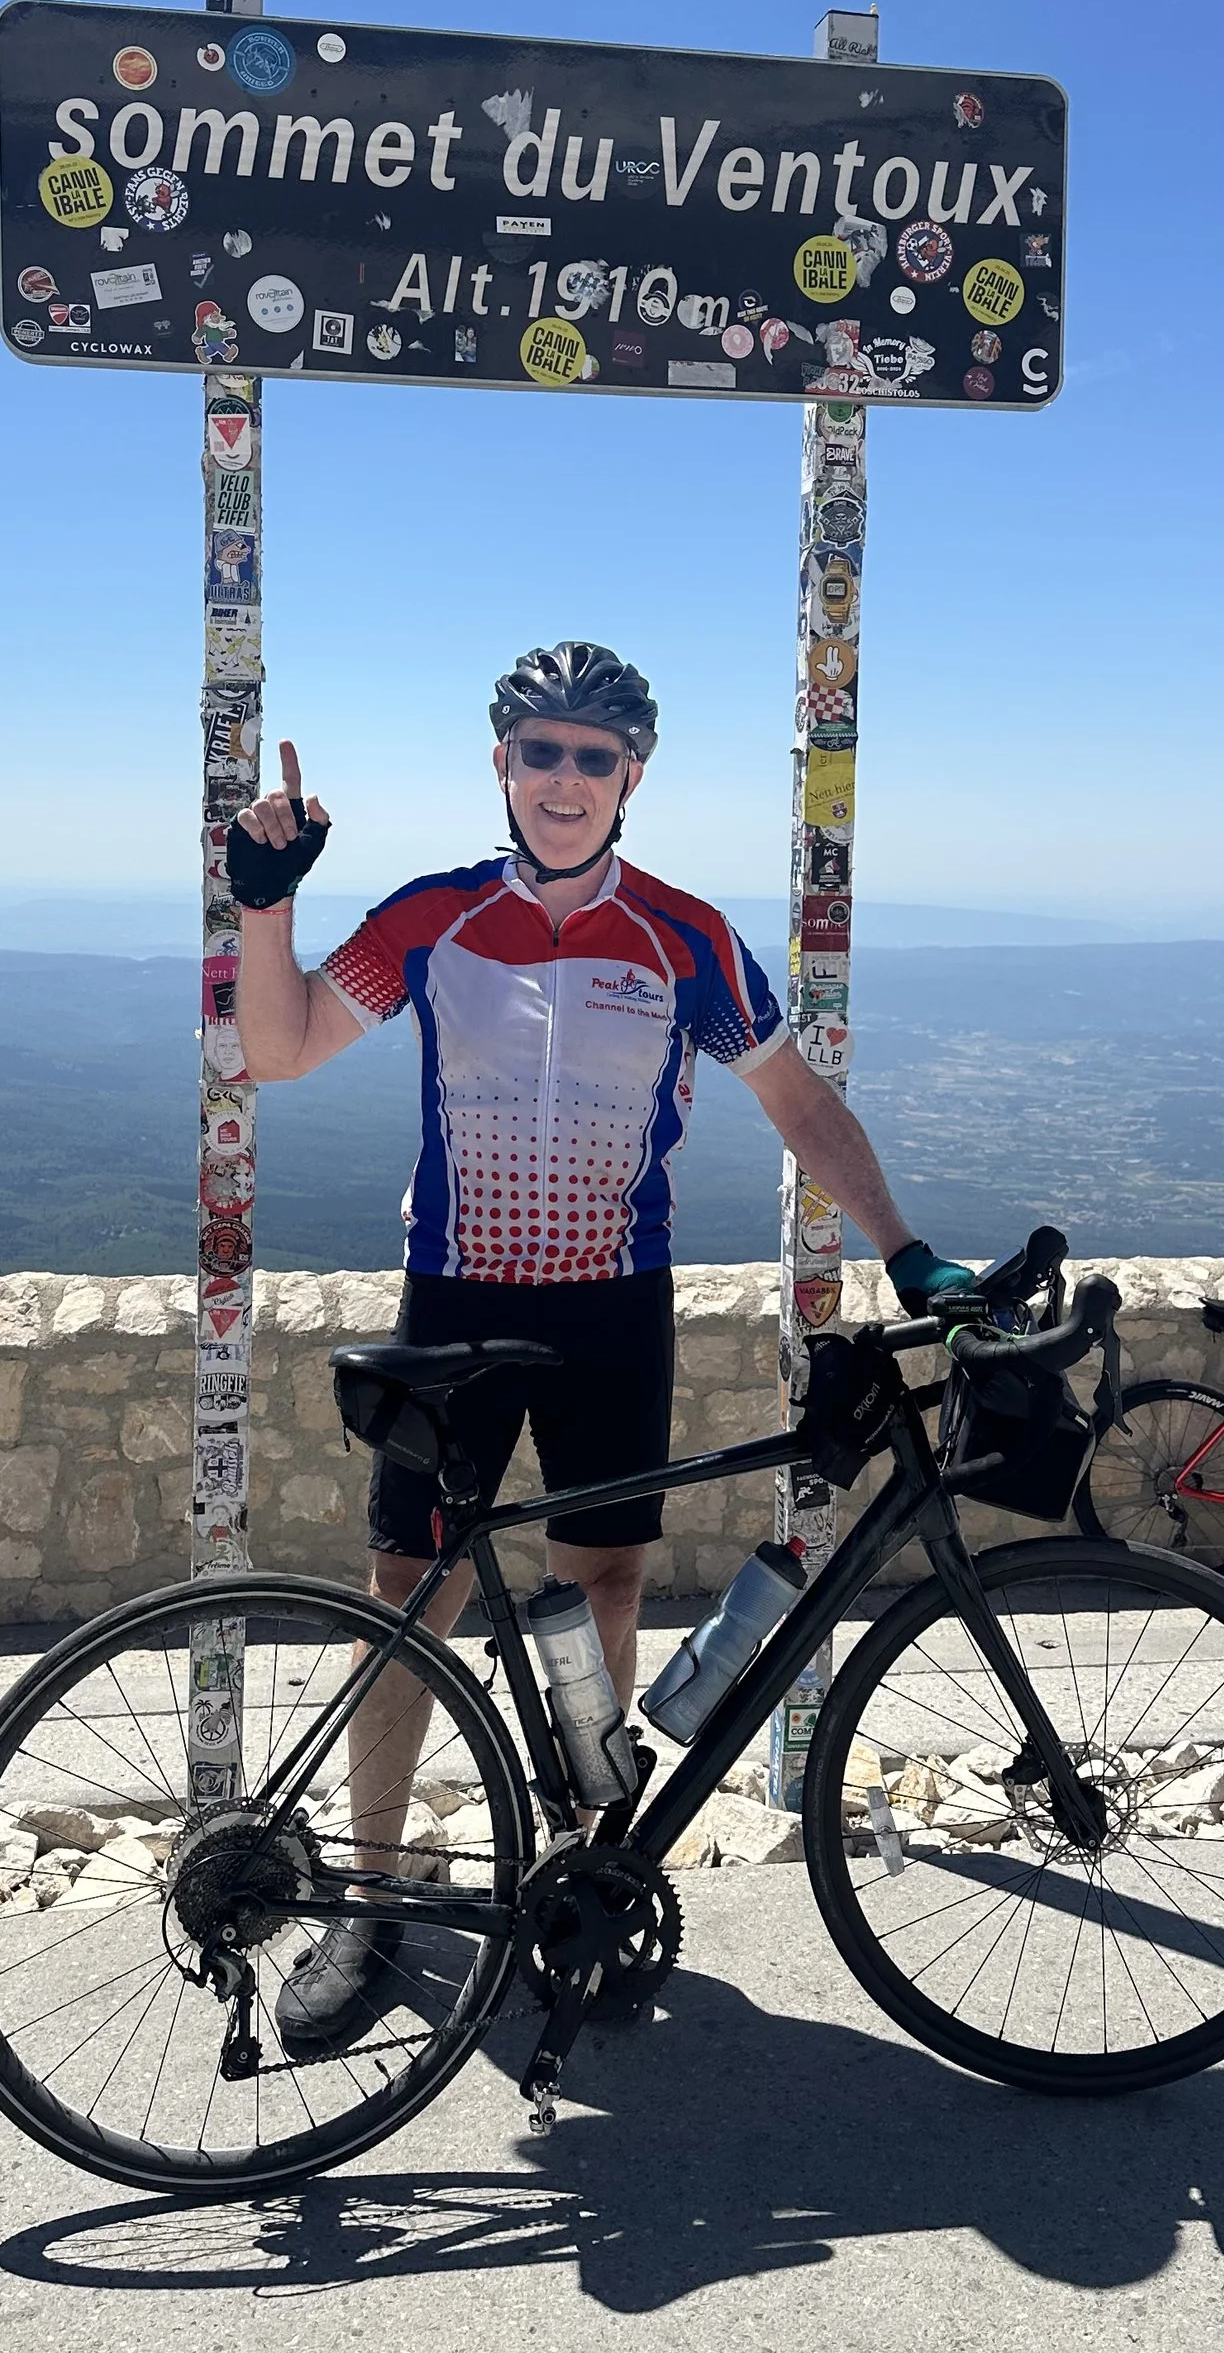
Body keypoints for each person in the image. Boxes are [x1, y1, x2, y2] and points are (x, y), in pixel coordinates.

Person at [228, 639, 975, 2048]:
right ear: (501, 767)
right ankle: (373, 1899)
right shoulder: (432, 918)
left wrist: (904, 1246)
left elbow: (797, 1107)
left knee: (607, 1587)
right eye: (539, 751)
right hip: (456, 1298)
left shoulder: (682, 935)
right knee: (407, 1597)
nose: (564, 779)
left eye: (593, 755)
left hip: (614, 1303)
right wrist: (262, 909)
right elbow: (278, 1052)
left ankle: (585, 1880)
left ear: (633, 776)